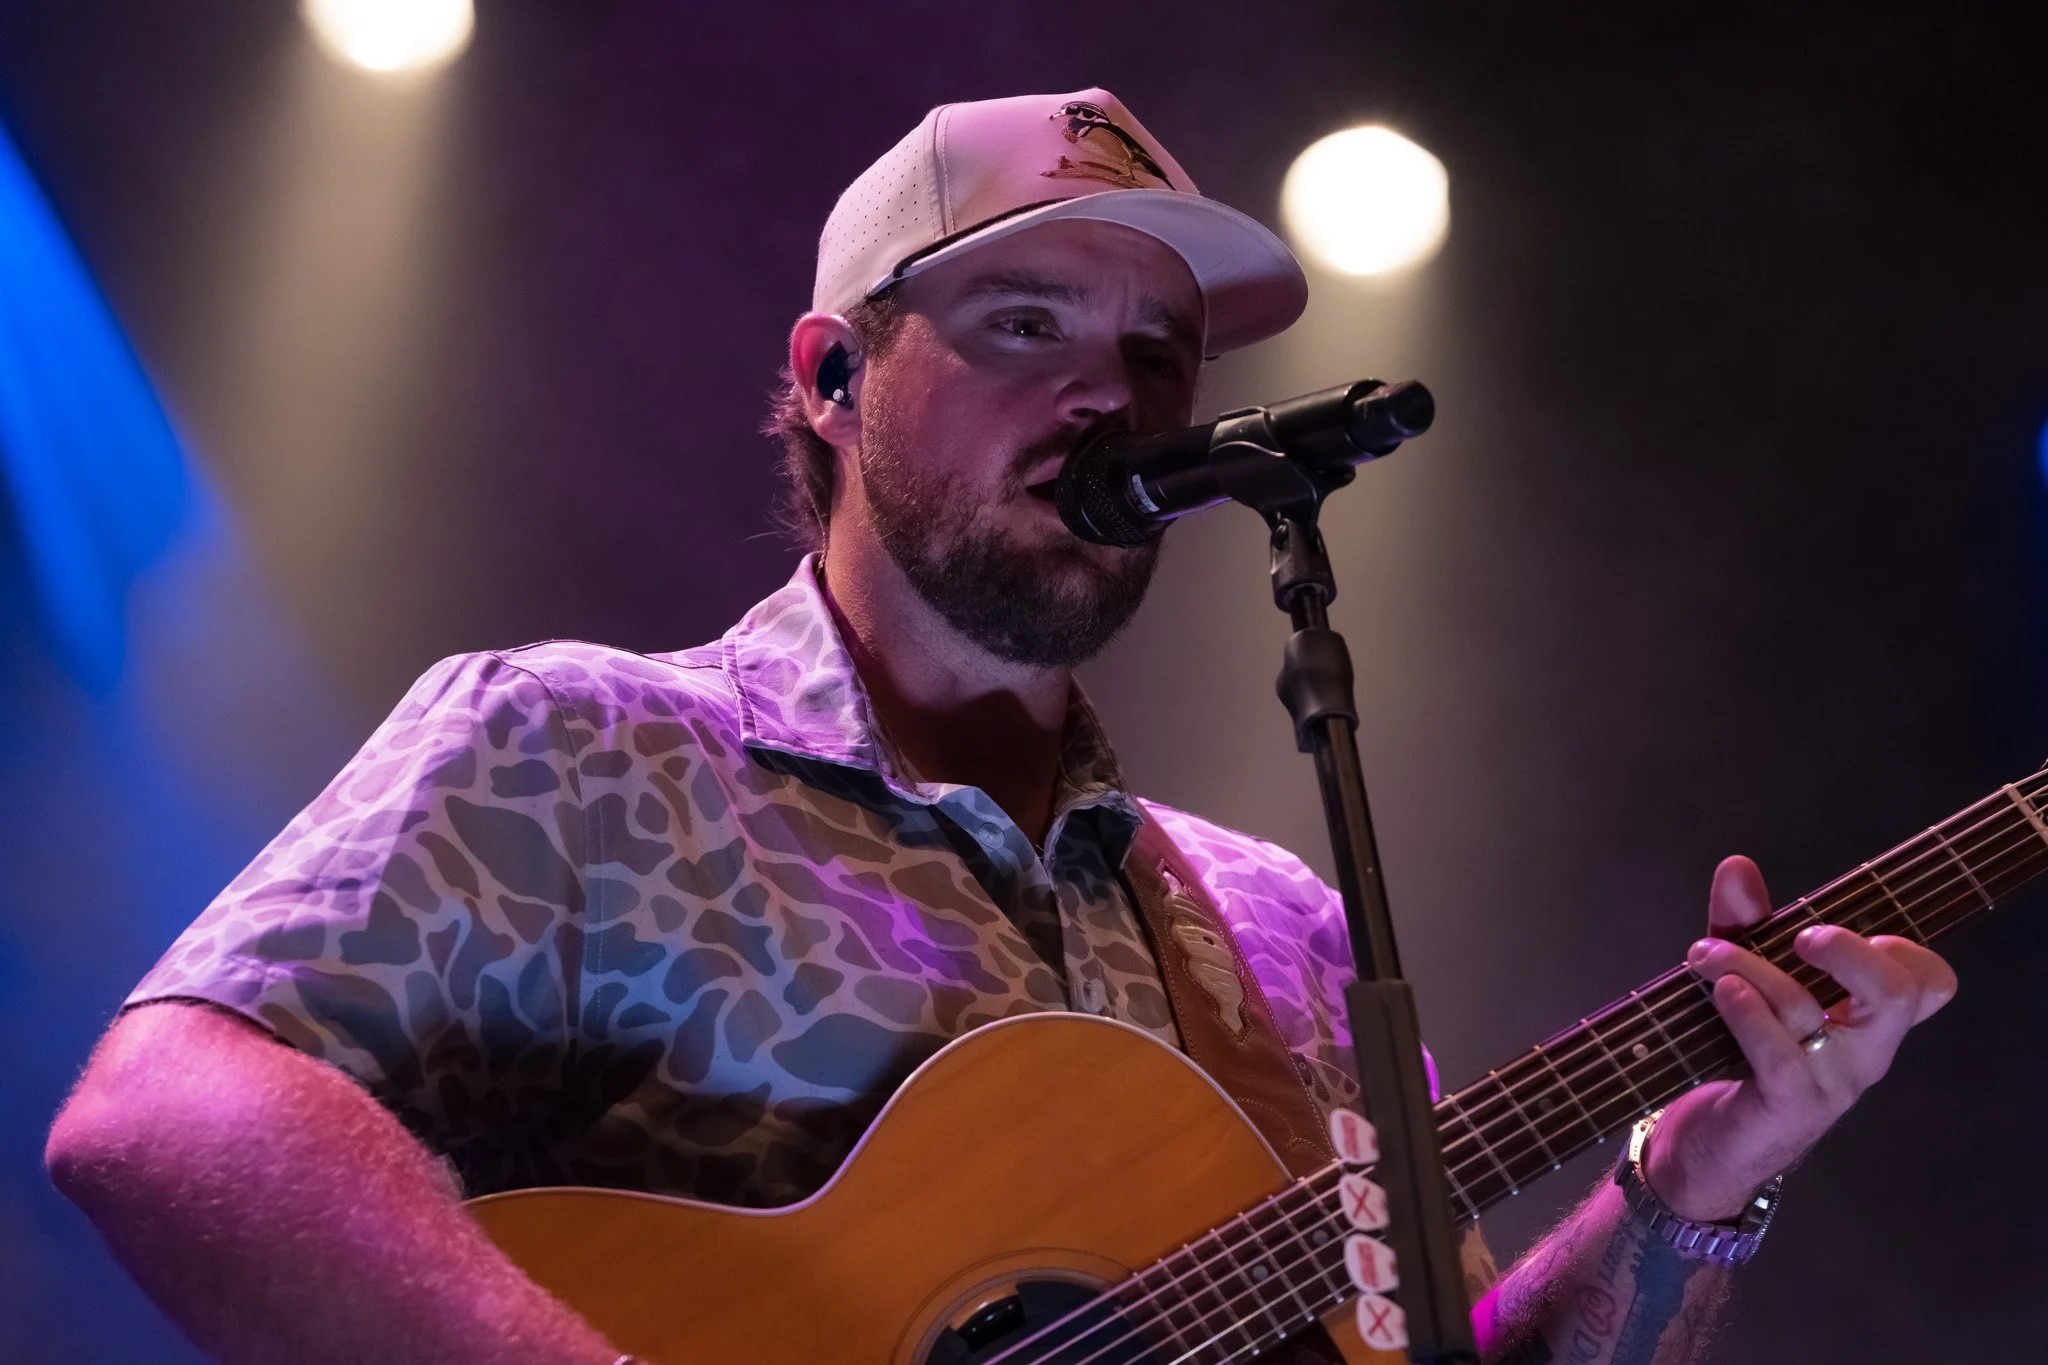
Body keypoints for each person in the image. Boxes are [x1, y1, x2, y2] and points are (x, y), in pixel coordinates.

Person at [46, 89, 1954, 1365]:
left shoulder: (1277, 931)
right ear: (832, 375)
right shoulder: (584, 752)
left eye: (1156, 357)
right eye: (1028, 324)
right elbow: (165, 1112)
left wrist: (1691, 1184)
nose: (1111, 401)